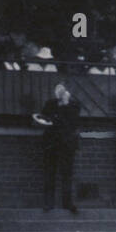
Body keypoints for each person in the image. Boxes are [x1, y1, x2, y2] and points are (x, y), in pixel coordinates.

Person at [32, 82, 80, 214]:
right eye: (58, 89)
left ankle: (67, 203)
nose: (60, 92)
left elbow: (72, 123)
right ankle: (48, 203)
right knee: (49, 173)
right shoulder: (50, 104)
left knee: (67, 174)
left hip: (67, 144)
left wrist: (65, 105)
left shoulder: (74, 105)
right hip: (51, 143)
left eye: (63, 90)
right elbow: (44, 119)